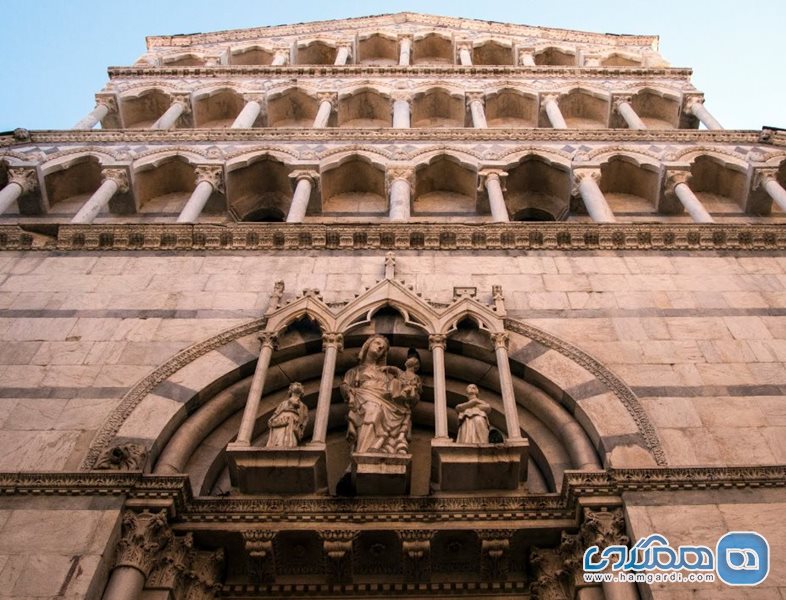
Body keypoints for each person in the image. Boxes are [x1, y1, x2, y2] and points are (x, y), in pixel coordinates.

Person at [341, 335, 421, 454]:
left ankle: (383, 446)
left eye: (383, 348)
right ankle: (364, 451)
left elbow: (398, 389)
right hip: (365, 397)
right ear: (367, 345)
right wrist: (350, 394)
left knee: (396, 409)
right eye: (377, 343)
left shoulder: (387, 373)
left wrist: (407, 382)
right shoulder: (355, 371)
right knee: (374, 408)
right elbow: (345, 386)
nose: (380, 347)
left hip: (387, 400)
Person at [265, 382, 309, 448]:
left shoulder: (303, 406)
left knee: (290, 442)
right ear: (290, 389)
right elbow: (276, 414)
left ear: (302, 391)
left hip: (293, 426)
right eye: (295, 384)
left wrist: (300, 429)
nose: (298, 385)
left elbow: (304, 420)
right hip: (281, 423)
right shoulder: (283, 403)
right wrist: (272, 420)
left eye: (299, 385)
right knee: (279, 441)